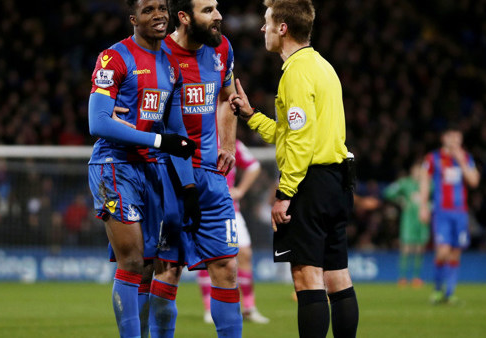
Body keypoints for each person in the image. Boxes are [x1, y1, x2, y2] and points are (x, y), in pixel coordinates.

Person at [229, 1, 359, 336]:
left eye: (267, 21)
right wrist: (252, 116)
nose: (263, 28)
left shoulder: (296, 73)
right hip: (335, 180)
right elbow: (293, 133)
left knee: (306, 277)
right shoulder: (322, 66)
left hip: (310, 185)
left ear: (282, 28)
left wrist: (285, 193)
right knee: (336, 274)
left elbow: (299, 142)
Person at [120, 1, 242, 337]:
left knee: (227, 268)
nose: (219, 16)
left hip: (211, 179)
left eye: (218, 8)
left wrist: (228, 144)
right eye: (209, 10)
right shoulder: (160, 55)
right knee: (166, 272)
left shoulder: (222, 49)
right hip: (168, 176)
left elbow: (229, 98)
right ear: (185, 17)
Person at [86, 1, 199, 336]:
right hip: (114, 166)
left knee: (148, 268)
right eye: (149, 10)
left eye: (162, 7)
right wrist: (159, 142)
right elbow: (98, 121)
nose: (159, 15)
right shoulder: (114, 57)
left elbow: (176, 132)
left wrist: (189, 187)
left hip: (150, 171)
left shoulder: (171, 64)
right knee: (133, 262)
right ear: (133, 19)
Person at [198, 139, 270, 324]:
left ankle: (248, 307)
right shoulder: (198, 140)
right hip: (203, 208)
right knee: (207, 257)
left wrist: (240, 190)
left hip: (231, 210)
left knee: (245, 253)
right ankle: (209, 309)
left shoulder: (234, 144)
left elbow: (253, 166)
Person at [419, 125, 480, 305]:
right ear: (443, 138)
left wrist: (461, 161)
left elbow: (474, 181)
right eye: (451, 137)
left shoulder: (466, 157)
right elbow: (424, 181)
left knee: (455, 253)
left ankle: (450, 293)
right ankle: (437, 290)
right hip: (442, 212)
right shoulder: (433, 158)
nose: (454, 141)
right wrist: (423, 206)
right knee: (443, 251)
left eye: (457, 138)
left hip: (460, 213)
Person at [383, 160, 430, 288]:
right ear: (412, 171)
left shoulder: (427, 184)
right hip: (408, 220)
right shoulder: (405, 183)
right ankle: (402, 277)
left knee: (420, 249)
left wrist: (430, 207)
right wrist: (400, 200)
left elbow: (437, 197)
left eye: (421, 171)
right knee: (406, 248)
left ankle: (416, 277)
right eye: (417, 171)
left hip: (422, 221)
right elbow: (388, 192)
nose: (419, 174)